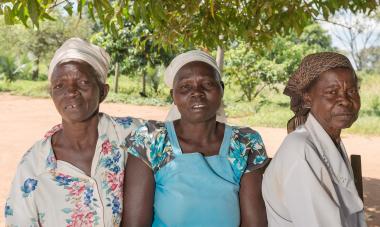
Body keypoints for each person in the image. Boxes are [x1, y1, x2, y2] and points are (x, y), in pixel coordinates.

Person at [4, 38, 142, 226]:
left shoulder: (130, 134)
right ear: (51, 94)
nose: (71, 92)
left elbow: (179, 134)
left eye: (83, 82)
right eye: (59, 85)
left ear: (103, 91)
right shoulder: (34, 164)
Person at [122, 50, 269, 227]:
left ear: (221, 88)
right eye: (185, 87)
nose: (197, 93)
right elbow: (135, 223)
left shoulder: (245, 142)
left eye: (207, 84)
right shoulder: (151, 140)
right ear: (173, 96)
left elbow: (254, 223)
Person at [262, 52, 365, 227]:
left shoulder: (329, 142)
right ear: (307, 98)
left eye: (352, 91)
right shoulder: (300, 151)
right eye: (332, 92)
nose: (345, 101)